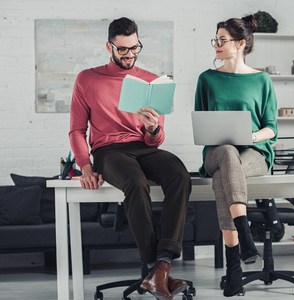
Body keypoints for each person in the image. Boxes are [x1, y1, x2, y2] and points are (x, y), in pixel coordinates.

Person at [69, 17, 191, 300]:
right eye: (122, 49)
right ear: (109, 46)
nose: (129, 55)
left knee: (180, 175)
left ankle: (162, 266)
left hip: (144, 147)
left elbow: (157, 140)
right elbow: (77, 130)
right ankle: (154, 268)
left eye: (135, 48)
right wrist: (85, 167)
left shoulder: (150, 81)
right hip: (108, 151)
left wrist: (153, 128)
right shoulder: (87, 79)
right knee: (135, 183)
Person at [194, 15, 278, 297]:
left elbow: (271, 129)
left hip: (254, 154)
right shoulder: (206, 79)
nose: (216, 44)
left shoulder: (262, 80)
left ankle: (234, 268)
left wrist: (250, 137)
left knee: (224, 179)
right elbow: (202, 125)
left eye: (222, 40)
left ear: (241, 43)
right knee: (227, 153)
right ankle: (245, 235)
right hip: (214, 153)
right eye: (215, 40)